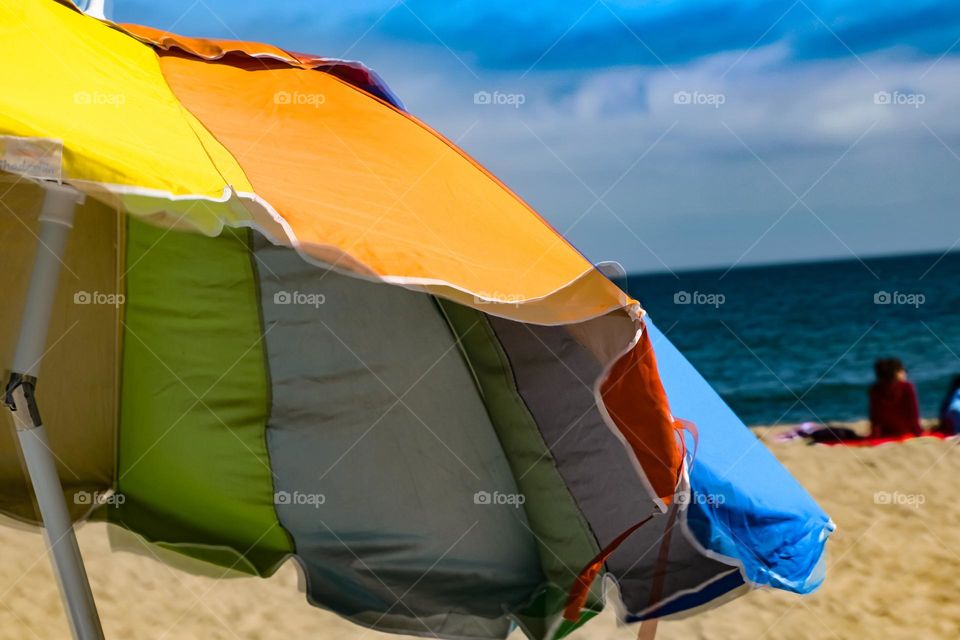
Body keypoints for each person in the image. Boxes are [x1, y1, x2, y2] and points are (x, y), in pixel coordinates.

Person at [868, 358, 922, 439]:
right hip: (904, 430)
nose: (905, 373)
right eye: (903, 370)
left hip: (885, 431)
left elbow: (875, 416)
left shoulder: (875, 389)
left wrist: (875, 435)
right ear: (896, 373)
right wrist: (918, 432)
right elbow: (913, 413)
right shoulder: (907, 387)